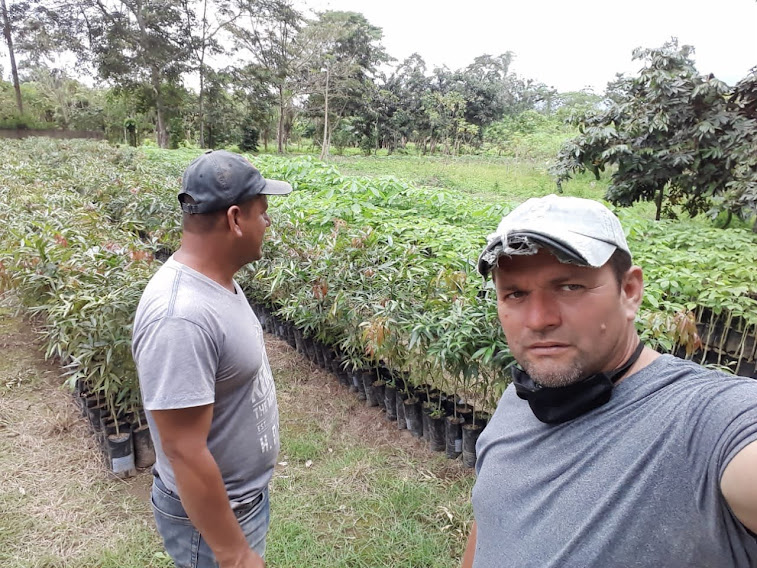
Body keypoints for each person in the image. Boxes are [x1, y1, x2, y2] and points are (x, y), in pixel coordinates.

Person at [462, 194, 757, 568]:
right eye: (515, 293)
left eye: (570, 287)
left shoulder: (706, 420)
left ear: (630, 291)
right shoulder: (520, 398)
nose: (538, 320)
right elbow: (492, 524)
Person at [132, 150, 292, 568]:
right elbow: (183, 448)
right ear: (235, 219)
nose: (268, 223)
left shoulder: (217, 283)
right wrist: (233, 551)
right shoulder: (180, 317)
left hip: (238, 504)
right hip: (214, 524)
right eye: (263, 212)